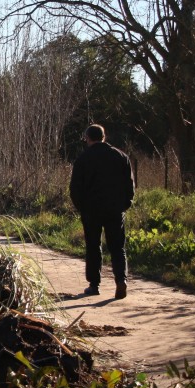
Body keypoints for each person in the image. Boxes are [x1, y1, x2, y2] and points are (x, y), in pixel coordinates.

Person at [69, 124, 135, 299]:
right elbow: (130, 185)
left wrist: (81, 207)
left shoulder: (83, 159)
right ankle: (121, 280)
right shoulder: (121, 156)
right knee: (117, 247)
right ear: (104, 137)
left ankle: (94, 284)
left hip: (91, 210)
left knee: (93, 246)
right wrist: (125, 204)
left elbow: (75, 188)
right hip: (115, 209)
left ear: (88, 138)